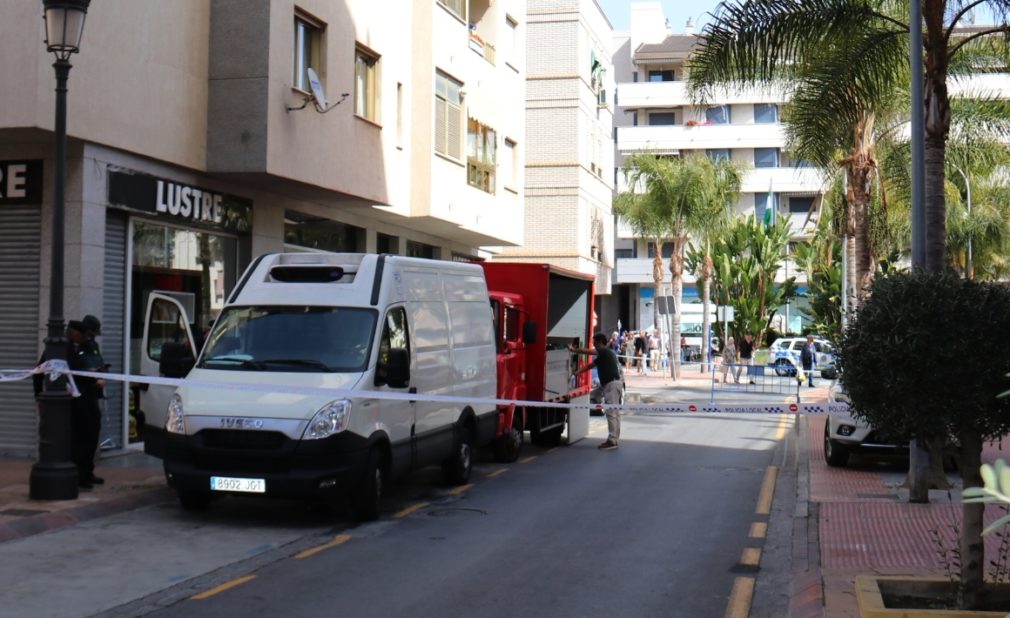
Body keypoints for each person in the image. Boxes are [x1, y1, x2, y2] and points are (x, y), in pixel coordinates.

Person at [68, 317, 106, 490]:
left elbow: (99, 363)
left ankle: (88, 471)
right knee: (80, 438)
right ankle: (79, 475)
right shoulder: (73, 348)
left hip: (92, 396)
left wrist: (101, 375)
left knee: (92, 436)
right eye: (90, 334)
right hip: (78, 398)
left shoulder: (93, 347)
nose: (92, 338)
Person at [571, 332, 623, 450]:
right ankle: (614, 438)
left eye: (595, 343)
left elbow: (590, 352)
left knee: (611, 413)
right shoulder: (605, 355)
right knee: (614, 412)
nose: (594, 346)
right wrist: (577, 372)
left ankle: (612, 440)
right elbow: (590, 366)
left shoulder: (604, 351)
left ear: (600, 343)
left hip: (611, 385)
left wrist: (575, 350)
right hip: (611, 385)